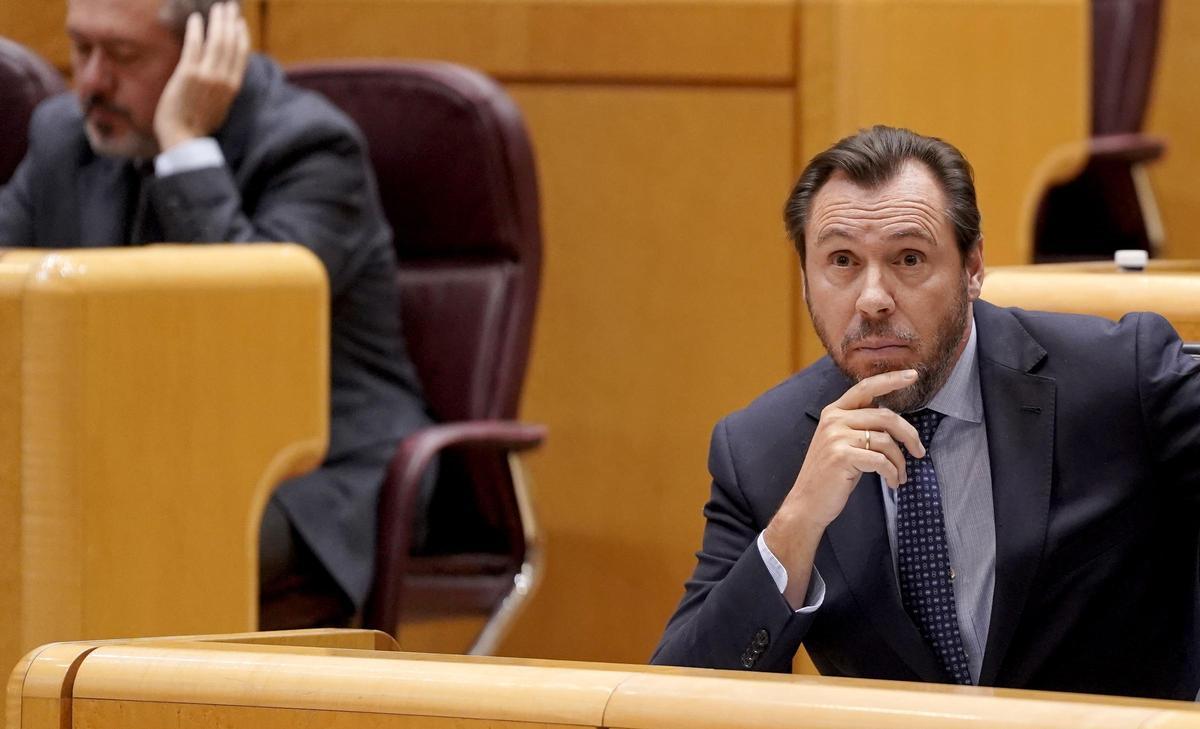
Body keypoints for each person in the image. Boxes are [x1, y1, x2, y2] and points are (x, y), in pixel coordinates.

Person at [652, 125, 1200, 700]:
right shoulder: (760, 449)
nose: (872, 299)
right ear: (806, 281)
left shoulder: (1119, 379)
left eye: (909, 258)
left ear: (973, 267)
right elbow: (676, 697)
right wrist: (797, 524)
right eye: (842, 261)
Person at [0, 0, 432, 627]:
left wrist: (185, 147)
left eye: (122, 56)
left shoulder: (309, 148)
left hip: (310, 478)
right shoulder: (63, 138)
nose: (91, 82)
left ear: (207, 51)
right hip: (131, 462)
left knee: (134, 543)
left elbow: (252, 335)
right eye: (81, 48)